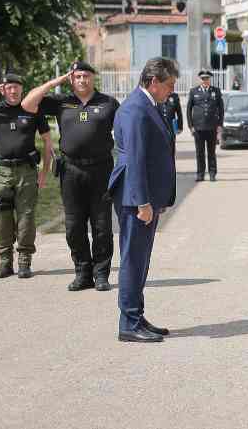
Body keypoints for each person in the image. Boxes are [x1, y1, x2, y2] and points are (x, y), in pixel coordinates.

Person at [22, 62, 120, 292]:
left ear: (93, 78)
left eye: (86, 75)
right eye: (77, 76)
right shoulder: (61, 102)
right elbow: (27, 103)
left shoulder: (108, 103)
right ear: (71, 79)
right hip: (71, 171)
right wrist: (54, 83)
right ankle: (82, 273)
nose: (82, 80)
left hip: (101, 170)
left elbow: (125, 130)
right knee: (74, 226)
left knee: (102, 225)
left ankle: (101, 274)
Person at [108, 57, 179, 343]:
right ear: (153, 82)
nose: (171, 90)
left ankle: (136, 316)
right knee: (133, 259)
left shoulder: (149, 105)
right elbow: (135, 159)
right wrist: (142, 203)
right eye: (169, 85)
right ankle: (128, 322)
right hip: (134, 197)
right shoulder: (136, 109)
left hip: (145, 195)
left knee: (141, 259)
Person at [0, 73, 52, 279]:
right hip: (2, 173)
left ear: (22, 89)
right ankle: (5, 262)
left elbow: (48, 143)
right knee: (2, 218)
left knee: (26, 217)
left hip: (27, 172)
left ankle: (24, 261)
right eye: (8, 87)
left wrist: (44, 172)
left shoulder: (32, 110)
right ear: (3, 90)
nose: (13, 91)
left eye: (16, 87)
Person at [186, 70, 224, 182]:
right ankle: (200, 174)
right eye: (203, 78)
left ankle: (212, 173)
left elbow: (221, 109)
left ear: (209, 79)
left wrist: (220, 125)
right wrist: (191, 126)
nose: (205, 80)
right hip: (198, 127)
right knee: (199, 152)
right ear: (200, 79)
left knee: (211, 152)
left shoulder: (216, 91)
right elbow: (189, 110)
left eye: (207, 78)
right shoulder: (194, 91)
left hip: (212, 126)